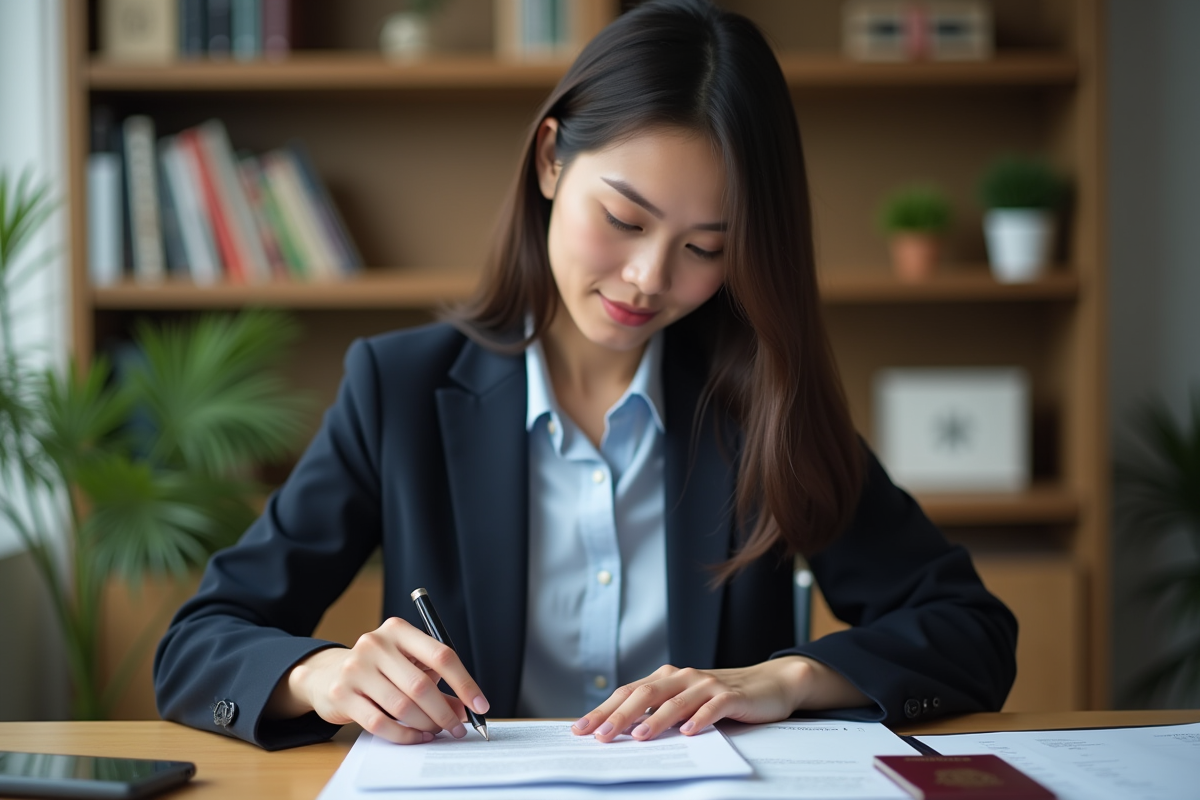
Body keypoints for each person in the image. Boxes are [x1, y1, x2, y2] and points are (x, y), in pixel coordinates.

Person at [154, 0, 1017, 751]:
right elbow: (199, 645)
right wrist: (323, 674)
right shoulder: (401, 389)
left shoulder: (761, 404)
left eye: (704, 249)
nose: (649, 277)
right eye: (623, 218)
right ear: (550, 160)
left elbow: (972, 634)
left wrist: (786, 679)